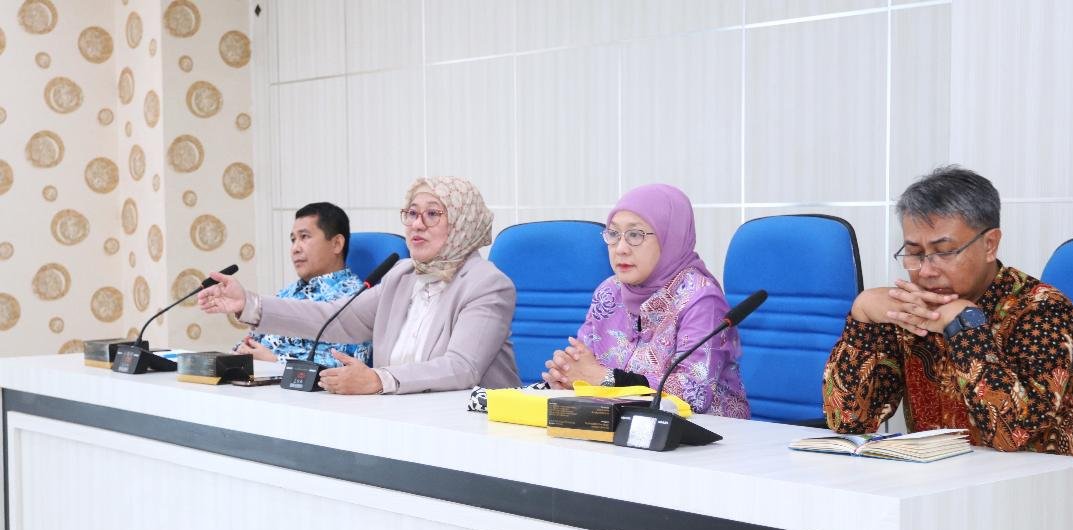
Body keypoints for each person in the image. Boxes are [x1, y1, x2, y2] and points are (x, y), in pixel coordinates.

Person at [822, 166, 1073, 455]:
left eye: (944, 252)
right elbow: (849, 422)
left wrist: (965, 326)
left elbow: (1015, 434)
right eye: (915, 254)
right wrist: (862, 320)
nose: (927, 271)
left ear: (989, 245)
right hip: (940, 482)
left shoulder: (1041, 309)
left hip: (1037, 485)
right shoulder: (909, 310)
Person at [199, 177, 519, 394]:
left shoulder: (487, 284)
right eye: (411, 214)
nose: (416, 224)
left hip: (466, 426)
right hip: (397, 415)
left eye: (432, 214)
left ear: (463, 223)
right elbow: (334, 319)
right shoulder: (402, 274)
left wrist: (379, 379)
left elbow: (461, 368)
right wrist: (249, 304)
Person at [540, 183, 750, 417]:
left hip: (707, 437)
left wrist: (603, 379)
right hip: (624, 428)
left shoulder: (700, 299)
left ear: (670, 236)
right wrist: (568, 377)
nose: (620, 248)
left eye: (635, 235)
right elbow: (584, 365)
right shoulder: (609, 292)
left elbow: (695, 395)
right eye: (613, 234)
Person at [234, 202, 371, 367]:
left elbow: (352, 366)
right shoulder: (286, 294)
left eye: (304, 237)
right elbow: (249, 343)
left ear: (336, 244)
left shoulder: (358, 298)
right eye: (293, 239)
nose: (295, 248)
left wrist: (277, 363)